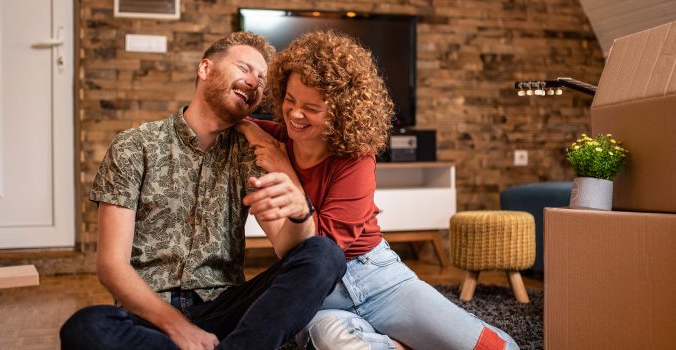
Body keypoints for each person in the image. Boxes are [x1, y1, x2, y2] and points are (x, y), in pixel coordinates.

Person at [59, 32, 346, 350]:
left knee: (325, 254)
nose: (254, 82)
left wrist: (299, 211)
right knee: (86, 326)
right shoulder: (134, 146)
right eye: (244, 68)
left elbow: (287, 247)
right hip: (149, 317)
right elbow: (111, 266)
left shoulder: (251, 152)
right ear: (205, 68)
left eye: (261, 79)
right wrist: (179, 328)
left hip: (224, 310)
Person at [239, 31, 520, 350]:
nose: (295, 114)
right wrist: (246, 124)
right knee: (330, 341)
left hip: (376, 278)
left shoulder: (355, 157)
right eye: (290, 100)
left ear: (339, 111)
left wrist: (286, 171)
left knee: (498, 349)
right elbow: (227, 117)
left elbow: (325, 246)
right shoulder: (274, 138)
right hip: (315, 293)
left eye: (311, 107)